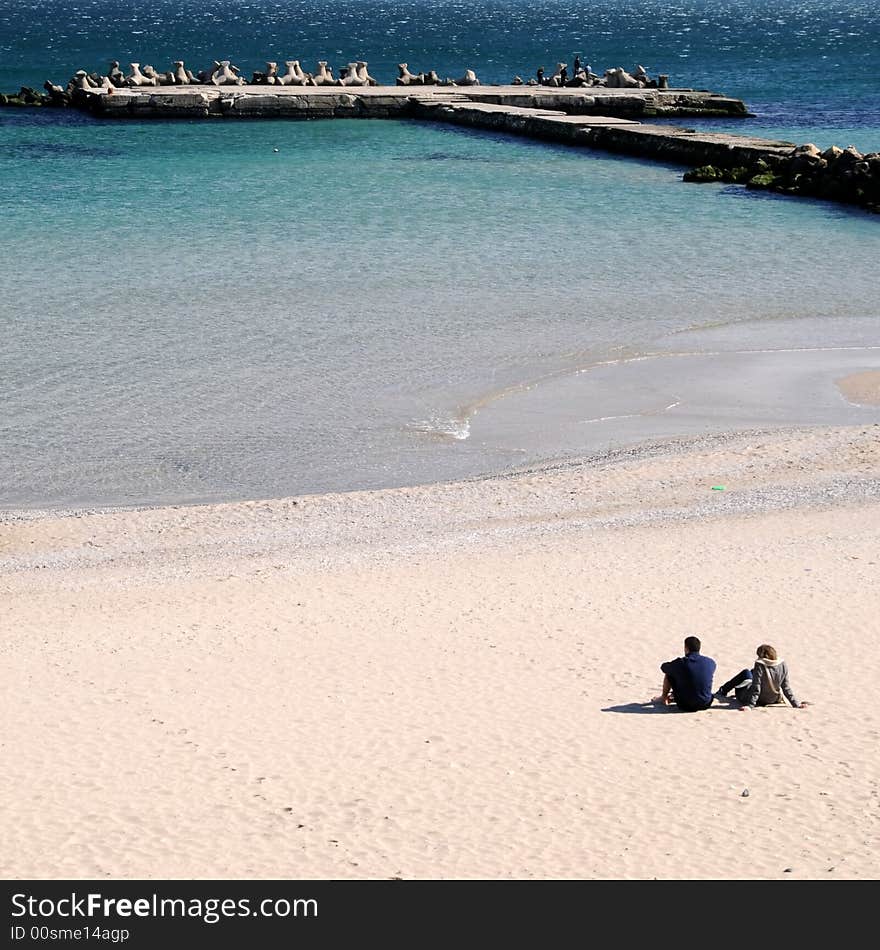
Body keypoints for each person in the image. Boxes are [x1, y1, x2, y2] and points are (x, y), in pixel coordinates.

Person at [716, 644, 808, 710]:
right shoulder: (782, 664)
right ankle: (723, 690)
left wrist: (750, 705)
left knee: (746, 672)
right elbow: (786, 687)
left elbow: (757, 687)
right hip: (773, 698)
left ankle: (723, 691)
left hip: (756, 698)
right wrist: (796, 704)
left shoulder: (760, 664)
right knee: (751, 672)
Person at [654, 635, 716, 712]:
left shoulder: (681, 662)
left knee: (670, 674)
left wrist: (673, 664)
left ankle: (663, 698)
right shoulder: (710, 662)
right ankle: (674, 696)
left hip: (685, 705)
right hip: (706, 703)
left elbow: (664, 667)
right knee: (692, 677)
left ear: (686, 648)